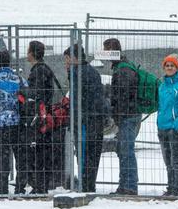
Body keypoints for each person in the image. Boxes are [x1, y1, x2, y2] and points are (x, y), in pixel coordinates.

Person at [0, 50, 29, 195]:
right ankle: (20, 187)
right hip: (17, 125)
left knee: (3, 158)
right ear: (9, 62)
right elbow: (27, 100)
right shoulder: (19, 79)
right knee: (20, 157)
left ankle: (2, 187)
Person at [65, 44, 108, 193]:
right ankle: (89, 183)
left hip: (84, 120)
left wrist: (74, 118)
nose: (66, 63)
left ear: (73, 58)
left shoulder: (77, 73)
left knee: (83, 153)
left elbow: (77, 100)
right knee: (92, 153)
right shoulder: (93, 72)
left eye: (67, 59)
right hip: (95, 119)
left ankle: (85, 184)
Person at [103, 38, 142, 195]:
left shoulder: (122, 70)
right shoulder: (123, 67)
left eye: (105, 50)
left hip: (127, 116)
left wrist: (116, 114)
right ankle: (125, 185)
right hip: (128, 115)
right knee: (124, 151)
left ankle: (130, 186)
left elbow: (123, 97)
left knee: (126, 151)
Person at [26, 41, 62, 194]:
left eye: (28, 51)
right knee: (43, 152)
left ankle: (40, 186)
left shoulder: (38, 71)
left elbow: (37, 94)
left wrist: (23, 92)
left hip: (40, 117)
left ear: (32, 53)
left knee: (39, 153)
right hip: (45, 116)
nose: (26, 53)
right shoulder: (45, 69)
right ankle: (42, 184)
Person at [157, 54, 178, 197]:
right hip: (162, 126)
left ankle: (177, 189)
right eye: (167, 65)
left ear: (177, 68)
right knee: (167, 160)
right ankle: (170, 187)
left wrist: (177, 126)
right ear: (164, 68)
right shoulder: (162, 85)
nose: (169, 68)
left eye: (172, 65)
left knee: (176, 160)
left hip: (175, 128)